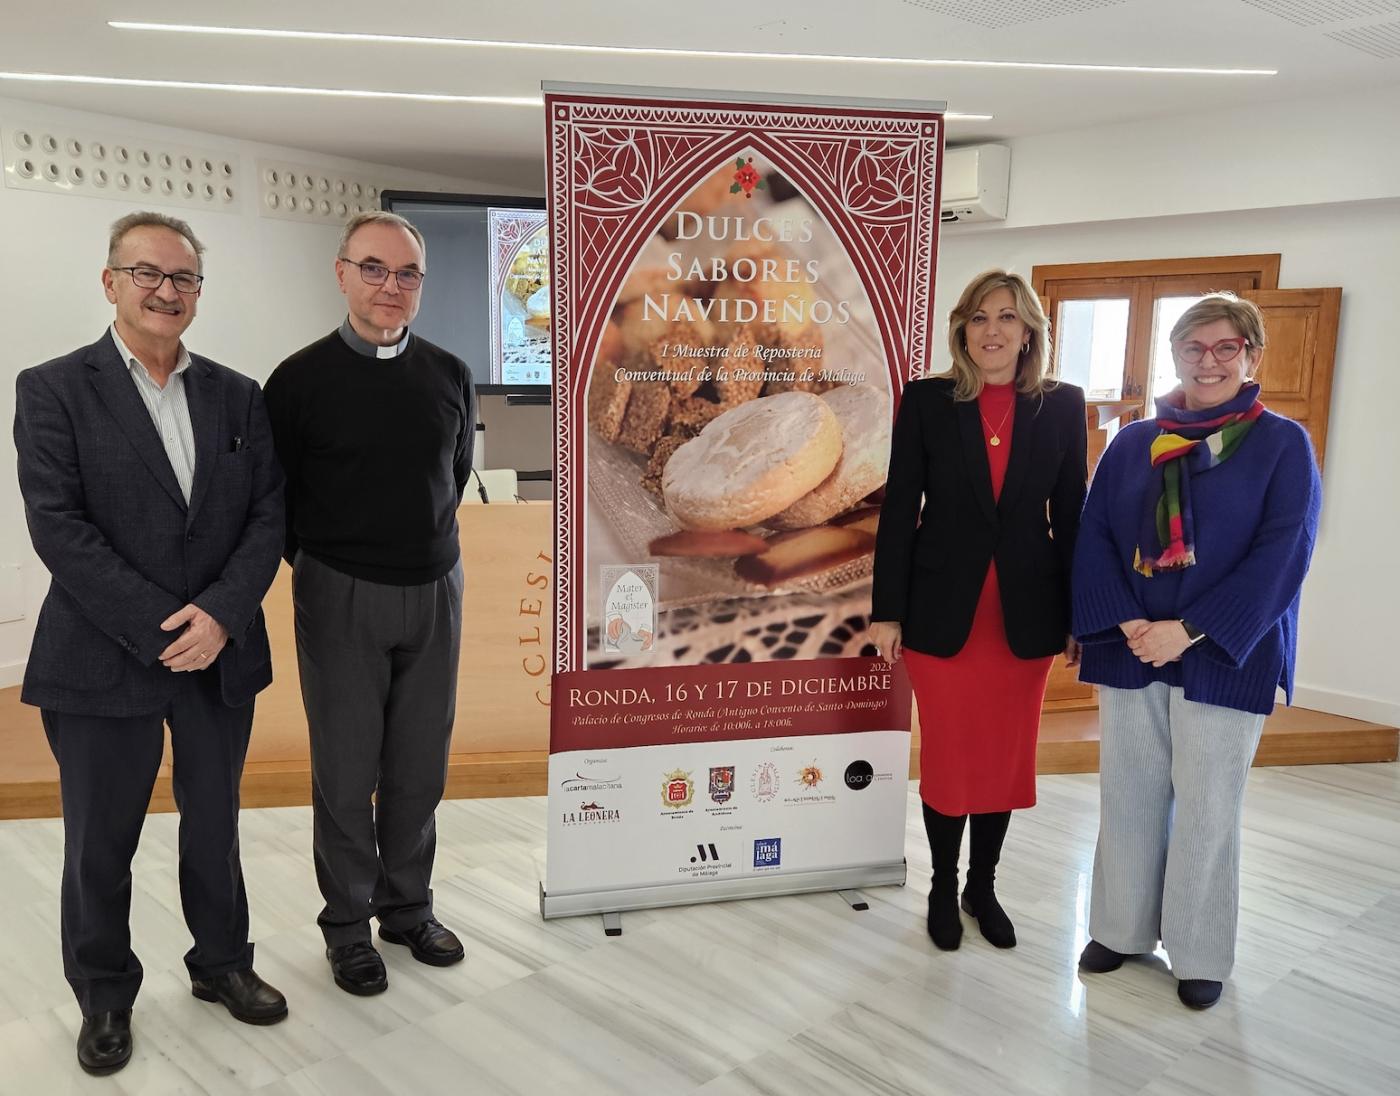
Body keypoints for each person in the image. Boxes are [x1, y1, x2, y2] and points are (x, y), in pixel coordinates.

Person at [13, 212, 288, 1074]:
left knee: (216, 825)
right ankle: (103, 994)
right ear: (110, 282)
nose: (167, 292)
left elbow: (266, 515)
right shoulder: (53, 387)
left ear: (199, 293)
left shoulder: (237, 395)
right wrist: (166, 626)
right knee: (101, 840)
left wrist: (219, 617)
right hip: (101, 655)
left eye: (184, 279)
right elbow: (59, 529)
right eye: (149, 275)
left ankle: (223, 964)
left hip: (220, 652)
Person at [1071, 292, 1321, 1010]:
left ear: (1251, 357)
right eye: (1194, 348)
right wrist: (1126, 624)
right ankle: (1120, 931)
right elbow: (1096, 538)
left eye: (1225, 348)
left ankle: (1200, 950)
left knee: (1209, 806)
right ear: (1174, 355)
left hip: (1222, 652)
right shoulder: (1131, 443)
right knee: (1129, 794)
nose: (1208, 361)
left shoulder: (1281, 443)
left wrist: (1189, 628)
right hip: (1132, 648)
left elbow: (1285, 552)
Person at [263, 211, 477, 996]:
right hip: (341, 591)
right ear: (342, 272)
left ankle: (408, 908)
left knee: (419, 767)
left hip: (435, 587)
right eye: (375, 269)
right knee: (348, 773)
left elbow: (451, 480)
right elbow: (276, 500)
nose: (392, 286)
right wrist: (330, 569)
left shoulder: (450, 374)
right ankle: (348, 926)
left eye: (408, 273)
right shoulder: (297, 381)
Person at [870, 269, 1087, 951]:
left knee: (1002, 758)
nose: (992, 330)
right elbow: (900, 509)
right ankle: (941, 884)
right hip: (942, 612)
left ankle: (981, 886)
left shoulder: (1062, 404)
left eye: (1008, 317)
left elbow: (1073, 517)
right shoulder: (930, 400)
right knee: (950, 757)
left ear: (1029, 333)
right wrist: (886, 611)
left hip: (1025, 613)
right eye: (979, 317)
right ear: (963, 329)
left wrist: (1083, 615)